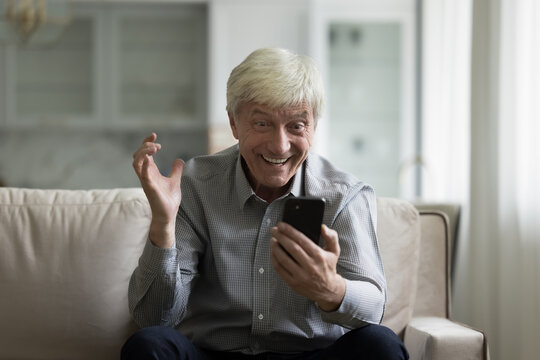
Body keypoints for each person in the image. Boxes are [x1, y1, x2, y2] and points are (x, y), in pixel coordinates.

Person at [122, 47, 409, 360]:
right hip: (216, 353)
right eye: (262, 124)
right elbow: (154, 317)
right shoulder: (196, 184)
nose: (280, 145)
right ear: (233, 123)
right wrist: (163, 226)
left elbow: (374, 308)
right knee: (148, 345)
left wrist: (331, 289)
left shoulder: (345, 195)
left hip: (311, 354)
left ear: (313, 127)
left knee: (382, 346)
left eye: (296, 126)